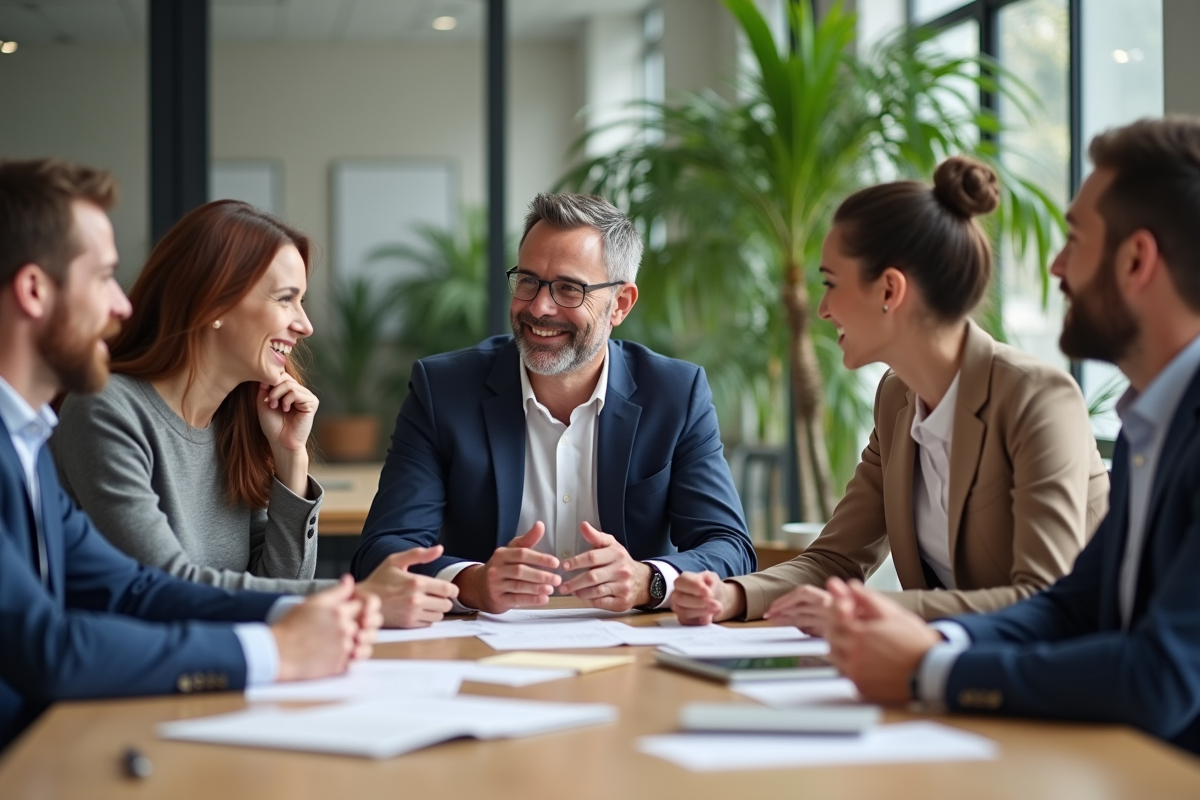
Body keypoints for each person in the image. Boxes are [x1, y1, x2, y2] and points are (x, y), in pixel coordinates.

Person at [823, 117, 1200, 755]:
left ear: (1136, 260)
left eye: (1075, 239)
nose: (1056, 265)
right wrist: (933, 643)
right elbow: (1071, 606)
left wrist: (929, 669)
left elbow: (1162, 675)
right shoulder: (1155, 422)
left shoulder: (1144, 419)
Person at [0, 157, 380, 750]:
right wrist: (287, 640)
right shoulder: (91, 414)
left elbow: (134, 589)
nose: (120, 305)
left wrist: (291, 465)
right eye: (103, 278)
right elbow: (58, 643)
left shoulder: (24, 443)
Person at [672, 156, 1109, 633]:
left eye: (831, 284)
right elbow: (836, 560)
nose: (821, 309)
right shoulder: (898, 398)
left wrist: (875, 611)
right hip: (944, 669)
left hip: (1060, 681)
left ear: (889, 290)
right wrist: (733, 594)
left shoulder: (1037, 398)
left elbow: (1043, 597)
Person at [50, 199, 457, 629]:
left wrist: (290, 460)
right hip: (128, 684)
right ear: (215, 305)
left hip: (225, 668)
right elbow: (165, 587)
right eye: (286, 299)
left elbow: (275, 589)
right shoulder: (104, 408)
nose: (305, 324)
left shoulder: (237, 420)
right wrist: (358, 598)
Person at [351, 192, 755, 614]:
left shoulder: (674, 394)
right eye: (528, 281)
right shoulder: (445, 391)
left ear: (620, 304)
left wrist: (647, 581)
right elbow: (381, 553)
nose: (539, 307)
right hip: (482, 653)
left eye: (568, 289)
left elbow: (729, 547)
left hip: (632, 650)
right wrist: (471, 583)